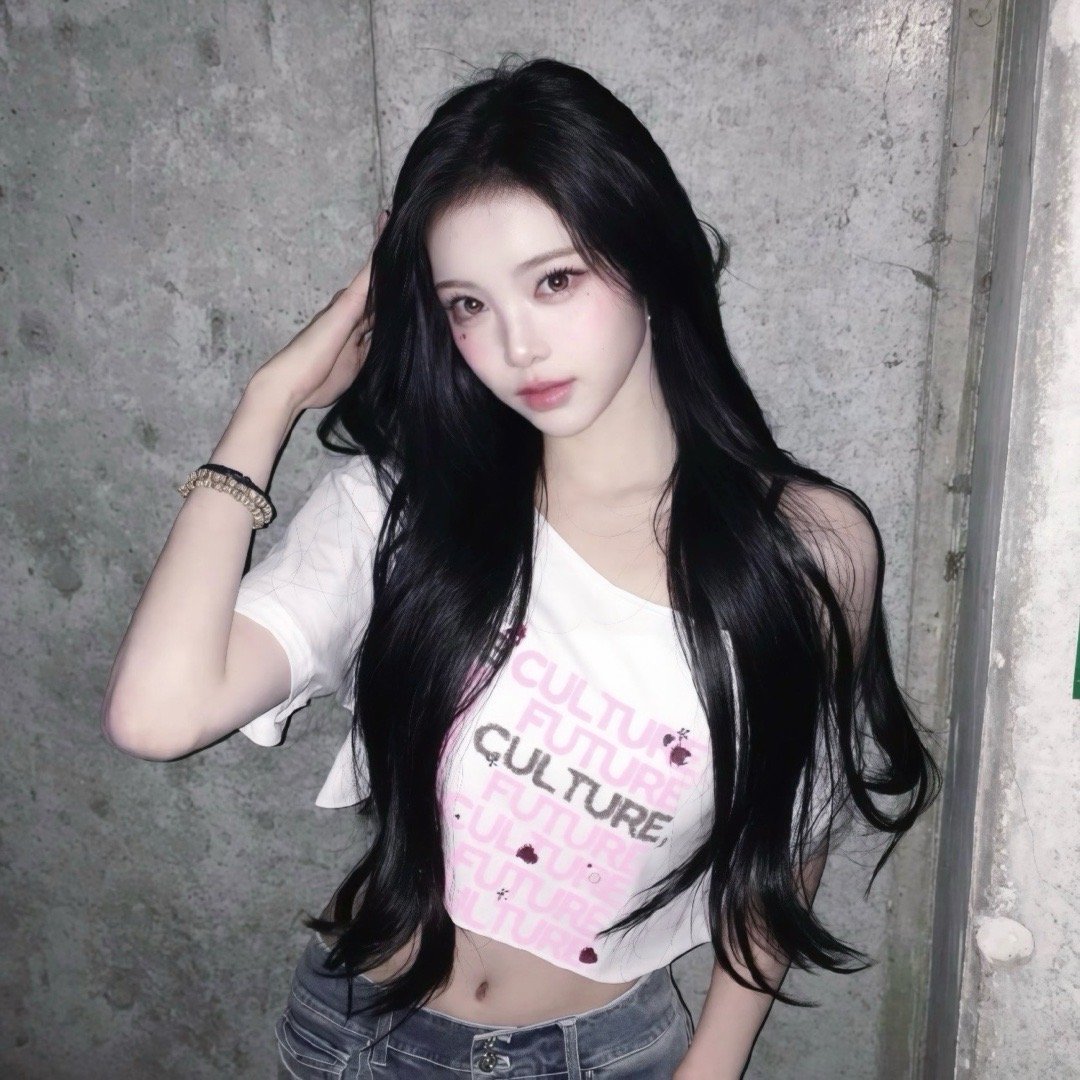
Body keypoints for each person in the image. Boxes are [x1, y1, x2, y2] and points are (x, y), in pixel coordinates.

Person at [102, 54, 941, 1080]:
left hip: (606, 1055)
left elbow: (791, 832)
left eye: (555, 281)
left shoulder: (807, 547)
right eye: (466, 304)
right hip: (358, 1040)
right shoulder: (402, 511)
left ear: (649, 255)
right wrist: (269, 400)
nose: (517, 345)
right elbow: (158, 716)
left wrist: (712, 1068)